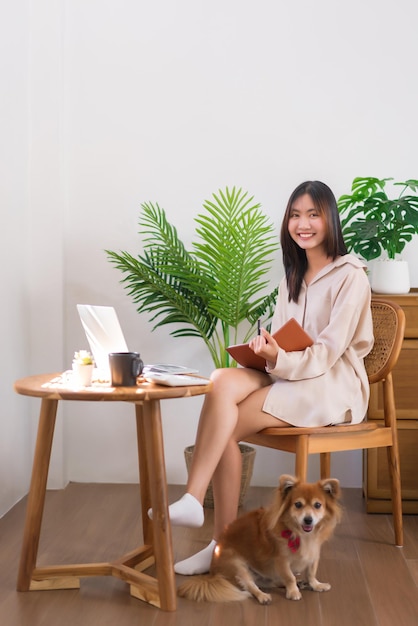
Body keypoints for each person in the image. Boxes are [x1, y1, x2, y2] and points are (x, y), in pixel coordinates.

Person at [149, 180, 374, 575]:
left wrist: (279, 359)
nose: (302, 224)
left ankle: (221, 546)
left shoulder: (351, 275)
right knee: (221, 378)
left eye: (312, 215)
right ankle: (195, 504)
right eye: (295, 215)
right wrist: (266, 352)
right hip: (291, 372)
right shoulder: (293, 274)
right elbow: (287, 340)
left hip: (331, 384)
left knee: (228, 427)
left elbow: (327, 351)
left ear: (329, 219)